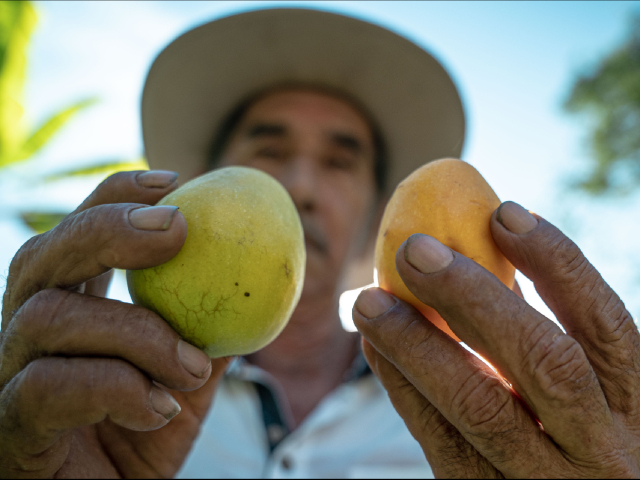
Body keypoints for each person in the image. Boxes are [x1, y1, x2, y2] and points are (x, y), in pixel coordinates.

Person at [1, 7, 639, 479]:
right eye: (267, 150)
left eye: (340, 161)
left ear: (373, 218)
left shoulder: (480, 433)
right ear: (196, 187)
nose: (300, 186)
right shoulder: (96, 407)